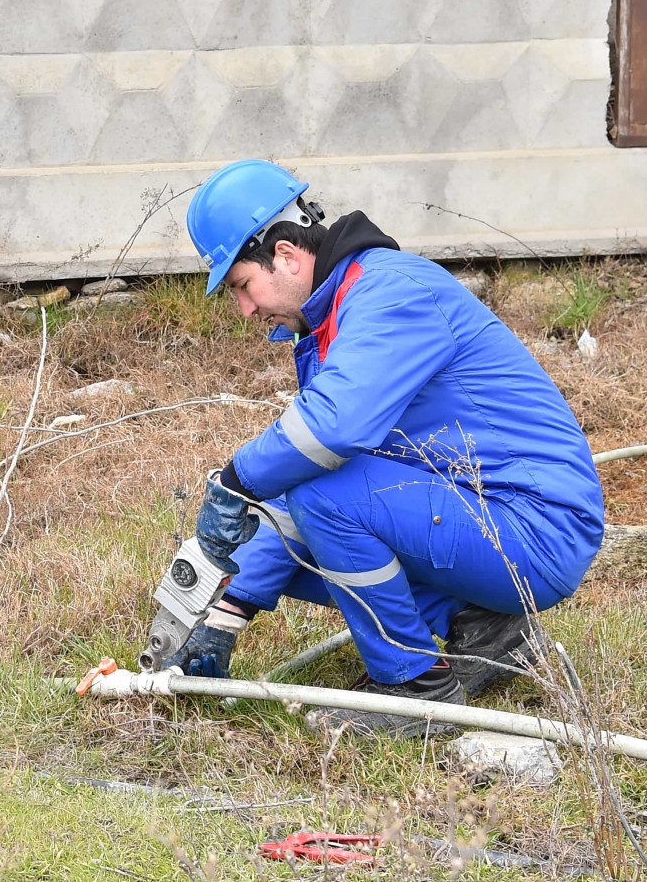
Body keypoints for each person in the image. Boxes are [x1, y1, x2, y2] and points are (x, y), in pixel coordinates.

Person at [168, 159, 605, 737]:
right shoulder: (338, 317)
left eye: (242, 287)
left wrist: (235, 479)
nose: (245, 310)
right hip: (491, 516)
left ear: (285, 255)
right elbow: (308, 479)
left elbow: (331, 434)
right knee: (312, 511)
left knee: (325, 495)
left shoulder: (391, 293)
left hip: (535, 529)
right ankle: (486, 625)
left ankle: (414, 688)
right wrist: (232, 604)